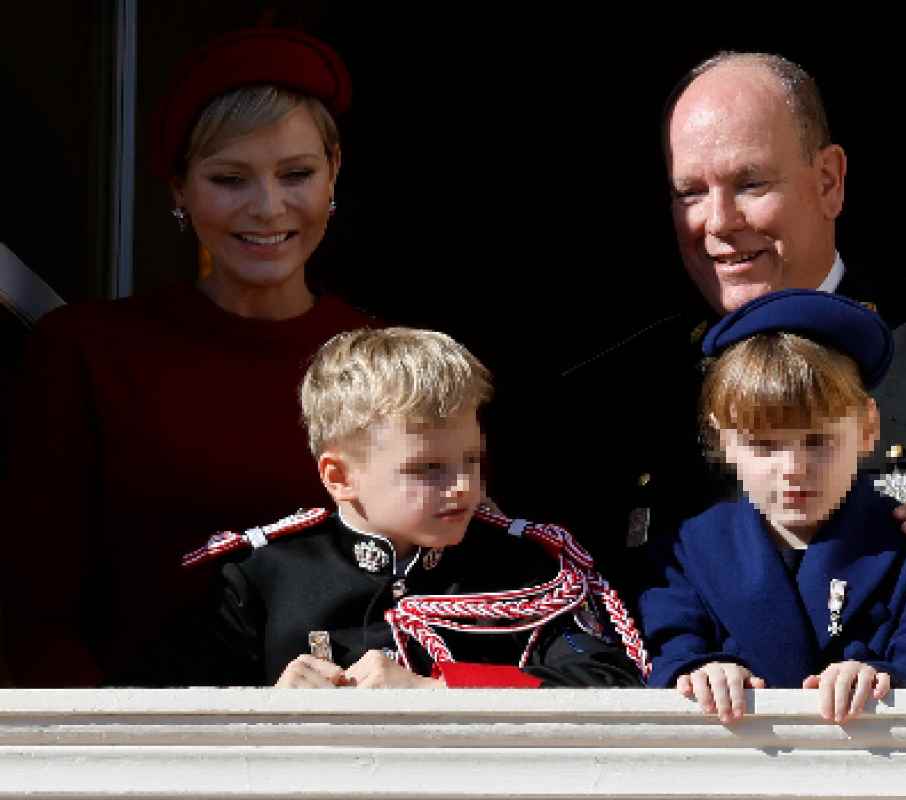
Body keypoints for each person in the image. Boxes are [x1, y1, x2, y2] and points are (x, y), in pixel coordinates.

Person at [540, 52, 906, 688]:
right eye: (691, 193)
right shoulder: (623, 385)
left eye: (751, 184)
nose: (718, 221)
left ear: (829, 181)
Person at [0, 28, 375, 686]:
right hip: (130, 749)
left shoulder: (390, 363)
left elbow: (447, 587)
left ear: (334, 171)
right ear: (178, 187)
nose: (267, 208)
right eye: (230, 179)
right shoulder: (86, 353)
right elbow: (30, 611)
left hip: (343, 753)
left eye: (297, 174)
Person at [117, 327, 648, 688]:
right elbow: (148, 703)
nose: (464, 486)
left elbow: (613, 684)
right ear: (340, 477)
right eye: (428, 469)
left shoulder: (525, 569)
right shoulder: (262, 577)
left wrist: (442, 690)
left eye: (471, 460)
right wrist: (270, 701)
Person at [640, 289, 906, 723]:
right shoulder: (686, 554)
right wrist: (697, 674)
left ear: (867, 427)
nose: (794, 469)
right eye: (763, 446)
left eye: (819, 442)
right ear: (722, 440)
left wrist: (888, 681)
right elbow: (666, 652)